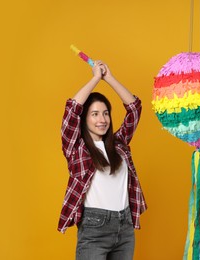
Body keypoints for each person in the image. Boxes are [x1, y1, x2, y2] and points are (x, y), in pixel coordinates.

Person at [58, 60, 147, 260]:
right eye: (95, 114)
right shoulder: (77, 149)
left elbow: (134, 109)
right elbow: (72, 110)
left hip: (124, 227)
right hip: (94, 228)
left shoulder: (119, 144)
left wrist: (109, 78)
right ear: (85, 119)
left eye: (106, 113)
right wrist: (95, 79)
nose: (102, 120)